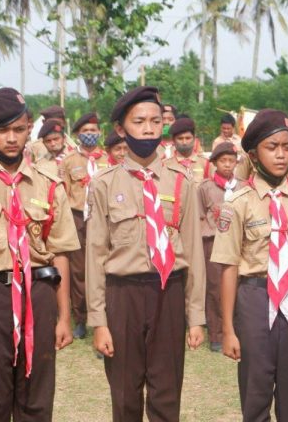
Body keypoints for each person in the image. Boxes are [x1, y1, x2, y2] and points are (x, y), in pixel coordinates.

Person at [86, 86, 205, 421]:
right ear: (122, 130)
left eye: (156, 121)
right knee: (124, 393)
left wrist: (196, 316)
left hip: (169, 292)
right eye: (139, 122)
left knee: (167, 391)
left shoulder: (182, 181)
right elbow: (95, 256)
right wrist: (98, 321)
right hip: (123, 296)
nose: (150, 128)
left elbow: (195, 252)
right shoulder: (104, 185)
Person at [211, 109, 288, 422]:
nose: (281, 155)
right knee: (256, 393)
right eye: (271, 147)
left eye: (286, 147)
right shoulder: (238, 202)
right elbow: (228, 267)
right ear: (253, 153)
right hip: (255, 299)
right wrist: (228, 329)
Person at [0, 87, 79, 421]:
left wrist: (64, 316)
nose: (11, 138)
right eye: (2, 130)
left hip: (38, 294)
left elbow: (61, 253)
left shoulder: (49, 184)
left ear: (29, 129)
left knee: (36, 395)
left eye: (19, 129)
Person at [60, 112, 109, 340]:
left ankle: (103, 317)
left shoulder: (108, 159)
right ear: (78, 134)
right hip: (78, 218)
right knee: (79, 271)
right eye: (86, 131)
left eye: (93, 131)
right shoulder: (69, 162)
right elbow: (64, 193)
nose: (90, 135)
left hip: (104, 219)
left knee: (104, 267)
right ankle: (80, 318)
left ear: (99, 133)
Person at [197, 142, 239, 352]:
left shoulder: (241, 186)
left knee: (237, 286)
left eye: (231, 161)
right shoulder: (205, 187)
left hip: (237, 244)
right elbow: (199, 216)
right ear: (214, 163)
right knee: (214, 288)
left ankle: (235, 329)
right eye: (223, 161)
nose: (227, 165)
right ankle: (215, 333)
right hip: (213, 242)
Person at [164, 117, 211, 184]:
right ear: (173, 140)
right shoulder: (166, 165)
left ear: (194, 138)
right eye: (180, 138)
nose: (184, 142)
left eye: (188, 138)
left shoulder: (206, 163)